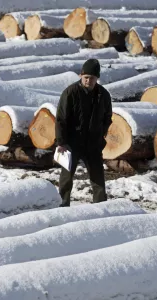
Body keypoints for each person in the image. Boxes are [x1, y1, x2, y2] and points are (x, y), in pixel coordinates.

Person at [55, 59, 112, 207]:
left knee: (98, 177)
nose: (89, 81)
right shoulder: (70, 93)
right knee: (66, 177)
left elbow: (107, 117)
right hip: (72, 143)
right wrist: (61, 142)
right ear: (81, 76)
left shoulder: (103, 95)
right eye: (86, 77)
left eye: (92, 78)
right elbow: (61, 119)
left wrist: (101, 134)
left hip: (93, 143)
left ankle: (100, 205)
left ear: (97, 78)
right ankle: (62, 204)